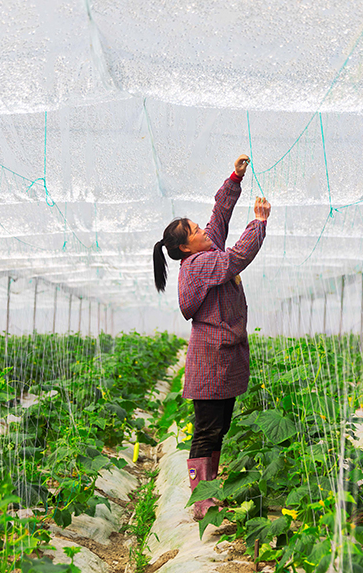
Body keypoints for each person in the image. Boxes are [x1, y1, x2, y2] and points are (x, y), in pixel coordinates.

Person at [153, 154, 270, 520]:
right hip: (210, 362)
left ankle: (210, 491)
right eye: (195, 231)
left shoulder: (205, 247)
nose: (204, 230)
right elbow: (236, 258)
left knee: (218, 430)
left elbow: (218, 216)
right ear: (186, 247)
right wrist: (259, 223)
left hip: (223, 357)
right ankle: (202, 501)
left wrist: (234, 178)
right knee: (206, 432)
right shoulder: (200, 263)